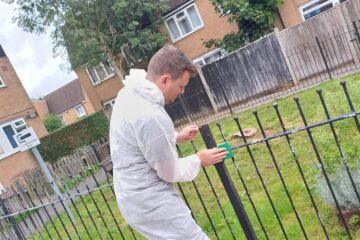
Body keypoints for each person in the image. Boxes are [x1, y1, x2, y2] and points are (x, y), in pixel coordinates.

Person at [110, 45, 228, 240]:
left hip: (131, 198)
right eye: (181, 86)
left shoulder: (129, 94)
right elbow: (169, 172)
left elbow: (136, 138)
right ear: (165, 80)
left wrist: (174, 137)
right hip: (151, 202)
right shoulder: (152, 114)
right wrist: (199, 159)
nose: (182, 92)